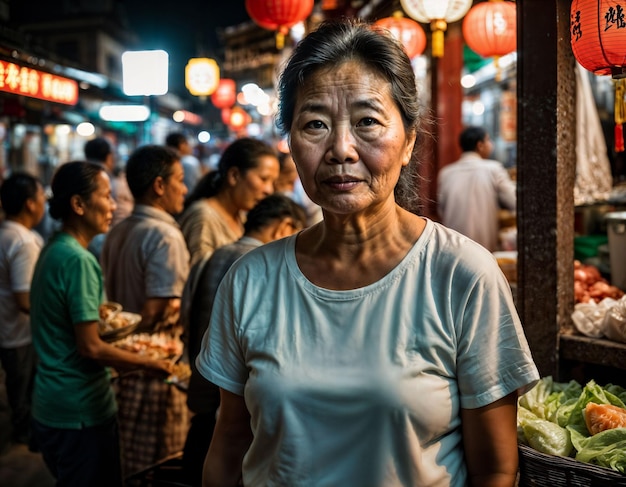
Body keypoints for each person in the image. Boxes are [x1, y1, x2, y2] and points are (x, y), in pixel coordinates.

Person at [196, 19, 539, 487]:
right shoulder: (250, 279)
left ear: (409, 142)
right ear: (291, 144)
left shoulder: (463, 275)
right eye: (315, 123)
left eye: (367, 122)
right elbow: (230, 444)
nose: (340, 149)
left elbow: (496, 469)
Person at [29, 161, 172, 487]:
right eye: (106, 197)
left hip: (51, 403)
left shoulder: (54, 249)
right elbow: (90, 346)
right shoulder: (78, 261)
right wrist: (149, 362)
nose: (113, 205)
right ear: (78, 204)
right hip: (79, 409)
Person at [180, 193, 307, 486]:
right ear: (284, 226)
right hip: (231, 406)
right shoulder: (260, 267)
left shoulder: (220, 253)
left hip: (204, 393)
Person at [100, 145, 190, 476]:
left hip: (120, 360)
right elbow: (158, 308)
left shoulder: (119, 229)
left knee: (125, 457)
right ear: (159, 186)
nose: (185, 188)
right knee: (155, 464)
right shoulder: (164, 234)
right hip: (151, 362)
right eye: (179, 180)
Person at [178, 137, 280, 266]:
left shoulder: (241, 216)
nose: (269, 190)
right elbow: (199, 279)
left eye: (273, 183)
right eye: (263, 179)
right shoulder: (203, 218)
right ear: (234, 175)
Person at [0, 173, 46, 445]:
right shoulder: (24, 241)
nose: (43, 203)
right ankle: (24, 433)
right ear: (30, 203)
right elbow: (24, 299)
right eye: (41, 197)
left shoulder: (5, 233)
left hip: (6, 326)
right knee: (22, 388)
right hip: (18, 331)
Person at [437, 126, 517, 252]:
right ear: (480, 145)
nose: (491, 144)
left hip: (452, 248)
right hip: (484, 249)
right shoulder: (494, 169)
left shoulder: (446, 173)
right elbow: (514, 200)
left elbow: (441, 211)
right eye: (488, 140)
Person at [84, 137, 133, 258]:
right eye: (106, 197)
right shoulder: (110, 181)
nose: (113, 205)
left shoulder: (81, 175)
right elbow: (122, 219)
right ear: (109, 157)